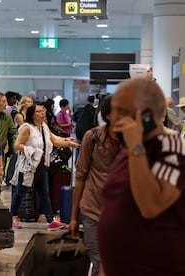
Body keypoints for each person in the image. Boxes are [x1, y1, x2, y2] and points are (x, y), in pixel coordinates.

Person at [98, 77, 185, 275]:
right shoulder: (127, 152)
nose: (115, 118)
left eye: (123, 111)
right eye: (114, 111)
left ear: (148, 114)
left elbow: (151, 205)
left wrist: (136, 146)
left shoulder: (172, 148)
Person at [68, 95, 122, 276]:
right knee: (99, 263)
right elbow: (81, 177)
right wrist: (74, 217)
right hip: (93, 211)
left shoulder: (132, 142)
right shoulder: (92, 138)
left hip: (120, 216)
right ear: (107, 114)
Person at [10, 104, 79, 230]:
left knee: (44, 192)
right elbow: (17, 145)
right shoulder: (27, 128)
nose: (42, 113)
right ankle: (13, 217)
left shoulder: (44, 127)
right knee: (21, 190)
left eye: (43, 111)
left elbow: (54, 141)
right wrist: (31, 150)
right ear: (32, 114)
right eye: (38, 111)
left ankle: (50, 220)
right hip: (28, 165)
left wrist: (68, 142)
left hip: (42, 165)